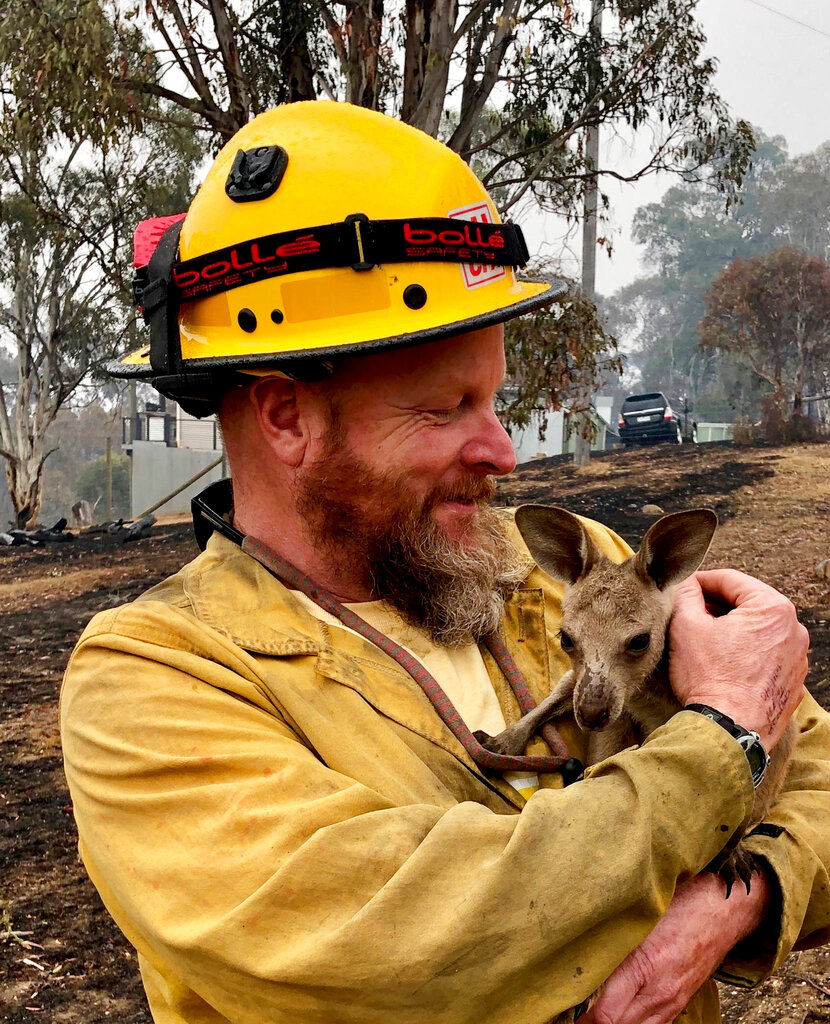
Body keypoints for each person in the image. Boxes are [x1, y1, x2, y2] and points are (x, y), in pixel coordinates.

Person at [61, 102, 828, 1024]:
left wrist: (726, 904)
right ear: (285, 416)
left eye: (494, 398)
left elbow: (822, 777)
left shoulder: (576, 577)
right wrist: (727, 740)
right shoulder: (152, 684)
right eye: (446, 406)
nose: (502, 451)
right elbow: (388, 944)